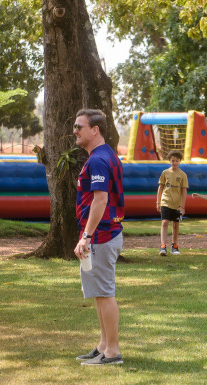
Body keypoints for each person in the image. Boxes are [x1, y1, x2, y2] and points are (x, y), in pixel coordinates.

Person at [73, 109, 125, 365]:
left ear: (95, 130)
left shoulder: (98, 160)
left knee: (105, 293)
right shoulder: (104, 155)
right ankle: (103, 346)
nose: (74, 131)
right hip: (102, 234)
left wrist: (86, 236)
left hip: (101, 235)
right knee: (99, 293)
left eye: (79, 127)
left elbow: (100, 200)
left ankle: (112, 352)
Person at [156, 150, 189, 256]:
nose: (174, 162)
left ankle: (174, 246)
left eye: (177, 161)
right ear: (169, 161)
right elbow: (160, 188)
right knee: (164, 222)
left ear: (180, 161)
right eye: (172, 160)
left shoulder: (183, 175)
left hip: (177, 204)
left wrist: (182, 206)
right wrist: (158, 202)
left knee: (175, 224)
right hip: (165, 202)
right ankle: (163, 246)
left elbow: (184, 190)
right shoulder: (165, 172)